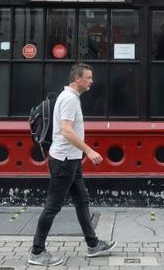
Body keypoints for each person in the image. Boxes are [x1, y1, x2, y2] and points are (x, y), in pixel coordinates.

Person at [29, 63, 116, 266]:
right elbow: (67, 131)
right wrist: (89, 150)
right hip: (64, 161)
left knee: (82, 200)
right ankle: (37, 251)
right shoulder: (69, 99)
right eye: (88, 77)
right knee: (53, 206)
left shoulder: (70, 97)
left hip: (71, 159)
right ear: (78, 78)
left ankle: (93, 244)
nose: (91, 81)